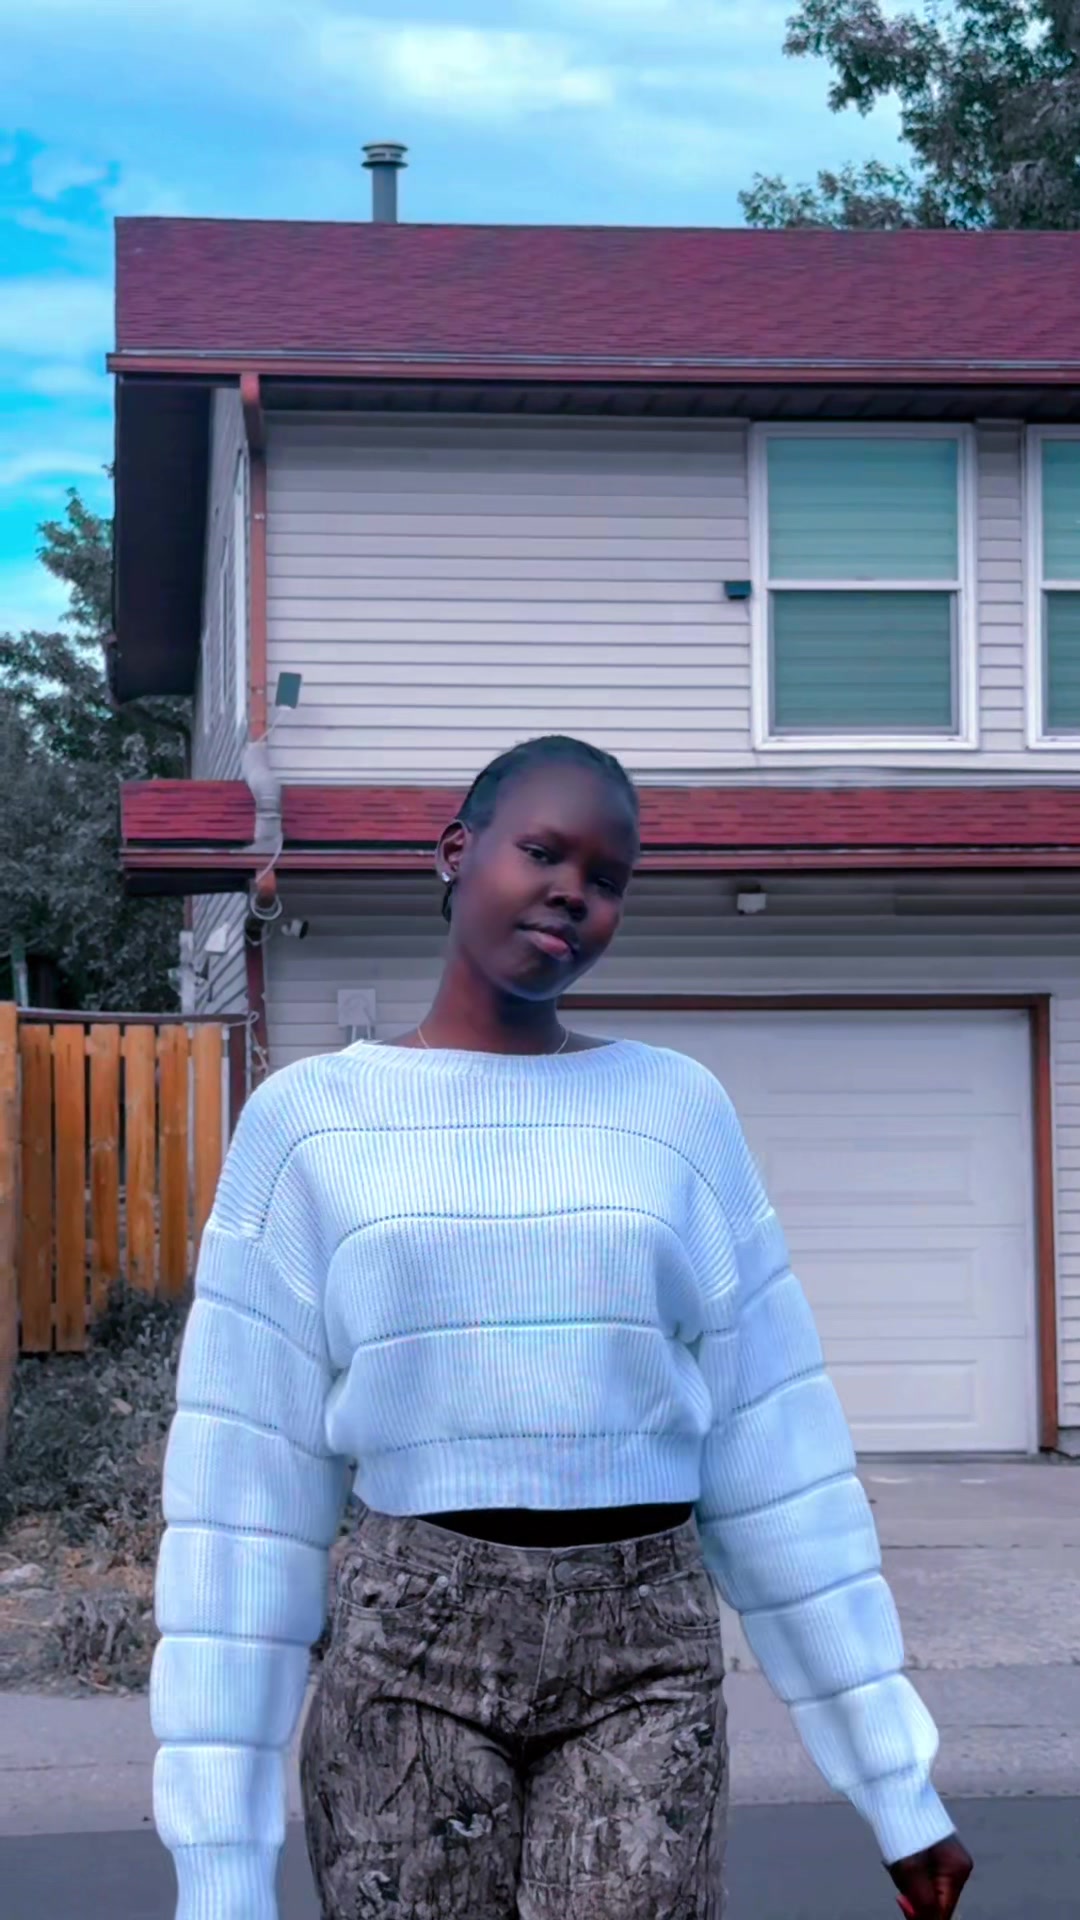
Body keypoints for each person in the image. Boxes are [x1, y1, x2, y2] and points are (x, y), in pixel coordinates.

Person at [151, 733, 973, 1920]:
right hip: (407, 1665)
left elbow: (778, 1456)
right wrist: (220, 1869)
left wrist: (898, 1784)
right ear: (456, 852)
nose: (573, 892)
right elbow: (242, 1501)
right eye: (542, 851)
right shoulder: (311, 1125)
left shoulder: (675, 1112)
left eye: (607, 877)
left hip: (644, 1671)